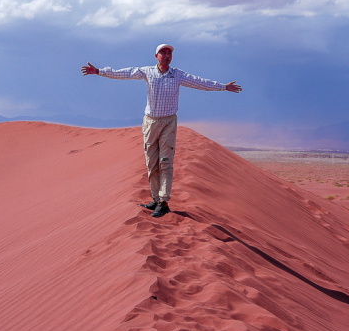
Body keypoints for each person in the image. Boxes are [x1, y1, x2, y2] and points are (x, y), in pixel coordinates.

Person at [81, 44, 242, 218]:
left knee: (165, 162)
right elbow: (125, 73)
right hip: (150, 122)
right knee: (151, 163)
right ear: (156, 56)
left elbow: (199, 82)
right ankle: (156, 199)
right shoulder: (147, 72)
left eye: (169, 53)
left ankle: (164, 201)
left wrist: (224, 87)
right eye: (163, 52)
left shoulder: (178, 74)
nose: (167, 55)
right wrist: (99, 71)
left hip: (168, 122)